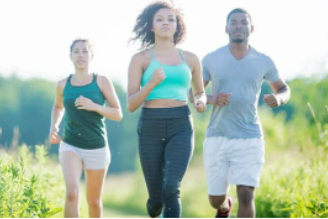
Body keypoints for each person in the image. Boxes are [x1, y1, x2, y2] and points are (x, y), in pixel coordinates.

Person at [190, 8, 291, 218]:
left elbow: (284, 89)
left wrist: (279, 99)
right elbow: (193, 93)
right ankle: (225, 206)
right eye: (233, 22)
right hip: (217, 135)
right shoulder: (210, 59)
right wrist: (210, 99)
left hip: (250, 136)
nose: (238, 26)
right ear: (226, 28)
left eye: (243, 22)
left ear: (251, 28)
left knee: (246, 194)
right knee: (214, 199)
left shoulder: (263, 60)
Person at [127, 2, 206, 217]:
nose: (165, 23)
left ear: (177, 26)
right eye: (160, 19)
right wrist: (151, 84)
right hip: (150, 125)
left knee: (172, 187)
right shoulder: (140, 59)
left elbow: (200, 92)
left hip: (181, 124)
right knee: (157, 199)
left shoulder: (190, 59)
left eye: (171, 19)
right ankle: (154, 206)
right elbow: (131, 104)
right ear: (151, 26)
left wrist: (201, 100)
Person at [49, 38, 123, 218]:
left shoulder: (102, 81)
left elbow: (118, 114)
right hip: (70, 145)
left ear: (91, 56)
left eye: (84, 51)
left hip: (96, 146)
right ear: (71, 56)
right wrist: (54, 126)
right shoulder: (63, 84)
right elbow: (58, 107)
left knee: (94, 202)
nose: (80, 55)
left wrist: (95, 106)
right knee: (72, 193)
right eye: (76, 51)